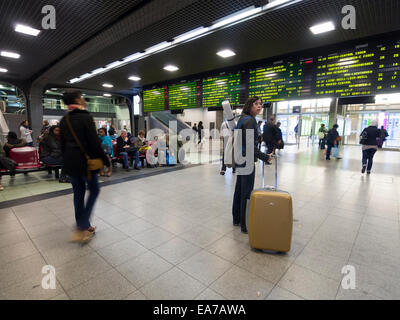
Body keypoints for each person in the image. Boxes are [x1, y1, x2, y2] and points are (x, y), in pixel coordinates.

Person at [59, 91, 109, 243]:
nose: (83, 99)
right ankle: (81, 225)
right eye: (81, 97)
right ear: (77, 100)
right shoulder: (85, 117)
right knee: (94, 189)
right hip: (86, 163)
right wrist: (105, 159)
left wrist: (67, 162)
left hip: (71, 163)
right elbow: (94, 143)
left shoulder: (64, 120)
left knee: (78, 193)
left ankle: (84, 226)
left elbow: (62, 145)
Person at [232, 96, 272, 234]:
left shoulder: (242, 118)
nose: (259, 106)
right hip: (247, 160)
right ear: (249, 105)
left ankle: (236, 218)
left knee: (239, 190)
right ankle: (245, 224)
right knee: (246, 192)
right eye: (256, 104)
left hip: (240, 158)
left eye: (261, 104)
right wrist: (265, 156)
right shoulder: (250, 121)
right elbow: (250, 147)